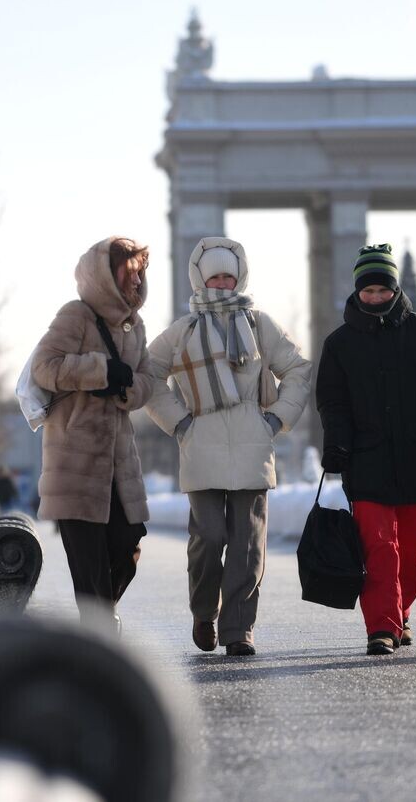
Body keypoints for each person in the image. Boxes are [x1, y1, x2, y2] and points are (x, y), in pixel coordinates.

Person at [145, 237, 310, 656]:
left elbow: (297, 370)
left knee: (248, 544)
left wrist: (276, 419)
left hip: (254, 448)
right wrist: (179, 423)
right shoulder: (183, 331)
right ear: (201, 278)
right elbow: (147, 377)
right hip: (201, 449)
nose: (222, 282)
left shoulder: (260, 324)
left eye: (228, 275)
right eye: (215, 275)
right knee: (209, 537)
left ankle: (239, 629)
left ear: (240, 277)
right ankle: (205, 612)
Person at [314, 243, 416, 656]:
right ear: (358, 291)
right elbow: (332, 403)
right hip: (366, 463)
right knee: (379, 547)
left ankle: (400, 612)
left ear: (396, 289)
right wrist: (336, 446)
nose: (376, 297)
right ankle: (381, 627)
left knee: (414, 550)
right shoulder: (339, 344)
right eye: (369, 291)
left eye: (383, 290)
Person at [32, 237, 153, 634]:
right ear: (106, 276)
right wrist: (99, 371)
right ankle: (99, 632)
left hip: (120, 461)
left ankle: (102, 617)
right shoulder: (76, 316)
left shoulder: (135, 327)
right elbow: (44, 368)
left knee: (129, 541)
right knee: (88, 561)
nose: (136, 279)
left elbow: (148, 383)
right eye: (129, 271)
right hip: (75, 462)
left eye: (140, 271)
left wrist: (126, 387)